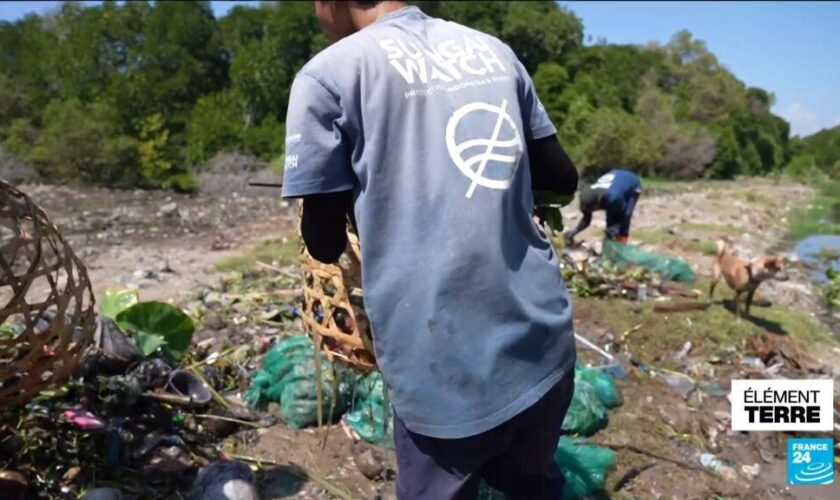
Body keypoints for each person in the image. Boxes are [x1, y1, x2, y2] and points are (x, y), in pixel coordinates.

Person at [282, 2, 579, 498]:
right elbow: (561, 179)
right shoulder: (495, 52)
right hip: (543, 342)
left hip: (443, 369)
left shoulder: (327, 74)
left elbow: (324, 241)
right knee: (530, 483)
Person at [564, 169, 642, 245]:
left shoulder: (613, 198)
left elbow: (617, 218)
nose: (592, 211)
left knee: (625, 215)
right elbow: (586, 219)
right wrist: (574, 231)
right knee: (611, 226)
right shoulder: (586, 198)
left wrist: (611, 234)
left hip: (632, 182)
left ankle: (621, 245)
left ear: (598, 202)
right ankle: (612, 244)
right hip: (615, 177)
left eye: (592, 209)